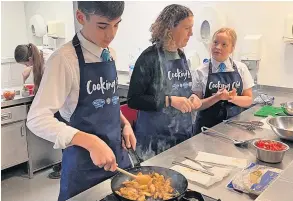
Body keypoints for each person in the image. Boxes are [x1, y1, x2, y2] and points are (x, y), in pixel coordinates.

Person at [26, 1, 136, 201]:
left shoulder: (110, 54)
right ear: (81, 18)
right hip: (84, 168)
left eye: (117, 24)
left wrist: (125, 123)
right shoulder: (63, 60)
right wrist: (91, 142)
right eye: (102, 26)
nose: (111, 34)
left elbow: (106, 101)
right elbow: (36, 118)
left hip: (117, 158)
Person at [127, 4, 202, 161]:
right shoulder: (149, 58)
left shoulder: (181, 55)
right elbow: (134, 100)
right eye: (187, 28)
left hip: (181, 137)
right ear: (170, 28)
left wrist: (192, 97)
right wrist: (169, 101)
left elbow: (180, 89)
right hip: (154, 143)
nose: (191, 33)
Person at [192, 28, 254, 134]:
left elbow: (249, 100)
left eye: (224, 44)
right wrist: (217, 97)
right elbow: (197, 104)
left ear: (232, 48)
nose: (218, 47)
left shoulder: (241, 68)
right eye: (215, 42)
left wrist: (232, 97)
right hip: (206, 129)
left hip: (234, 128)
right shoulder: (200, 71)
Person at [14, 44, 62, 179]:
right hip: (56, 101)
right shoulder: (38, 52)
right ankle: (62, 162)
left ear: (29, 58)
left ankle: (66, 167)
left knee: (62, 134)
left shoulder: (48, 62)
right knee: (58, 134)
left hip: (62, 101)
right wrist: (30, 68)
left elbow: (51, 86)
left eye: (25, 64)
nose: (25, 66)